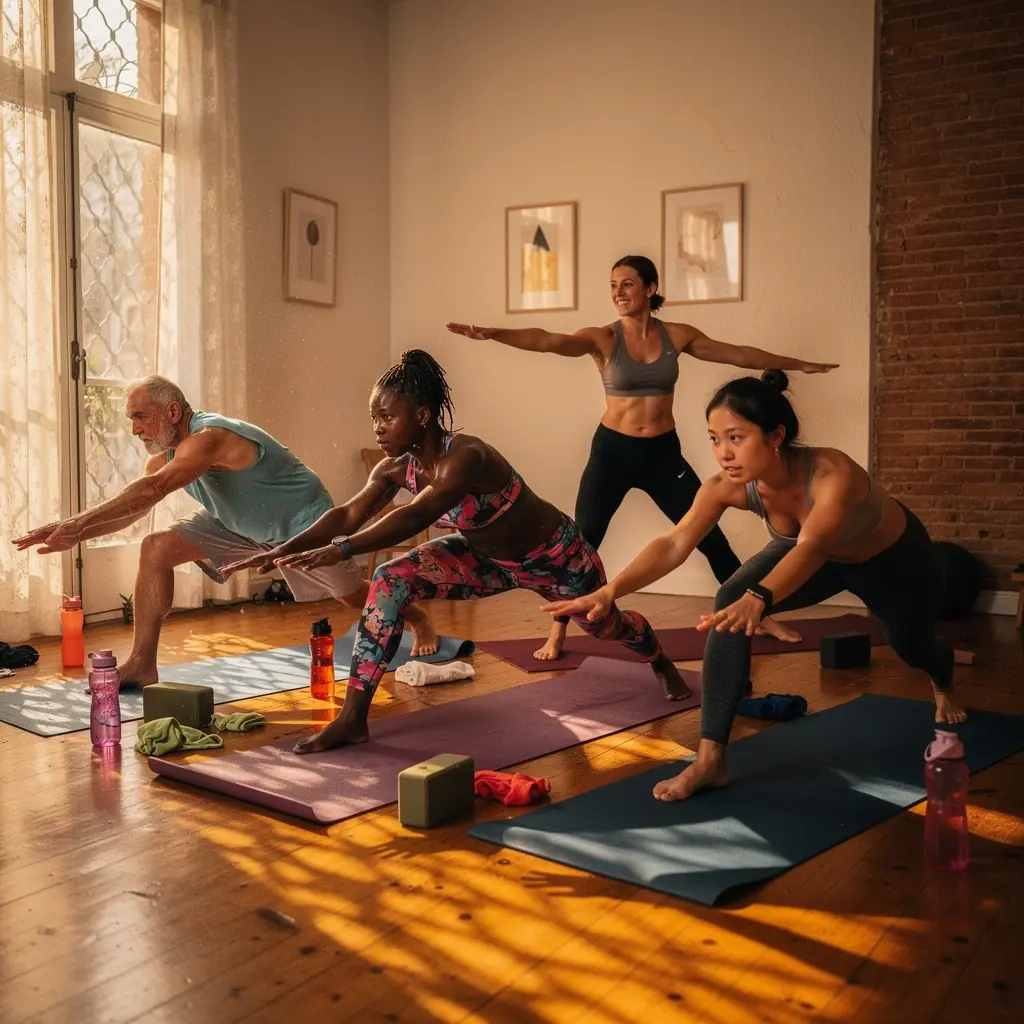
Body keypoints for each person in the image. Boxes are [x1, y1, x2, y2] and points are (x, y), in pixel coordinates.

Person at [222, 350, 691, 754]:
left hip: (555, 557)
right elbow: (347, 514)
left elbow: (414, 517)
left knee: (607, 626)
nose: (378, 428)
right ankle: (353, 718)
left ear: (422, 416)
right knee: (389, 580)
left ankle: (658, 659)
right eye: (374, 419)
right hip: (486, 560)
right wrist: (283, 548)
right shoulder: (393, 469)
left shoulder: (466, 456)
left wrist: (340, 549)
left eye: (387, 417)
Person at [542, 369, 968, 802]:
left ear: (776, 435)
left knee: (911, 646)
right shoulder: (727, 486)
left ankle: (942, 675)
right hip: (817, 558)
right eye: (713, 439)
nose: (723, 453)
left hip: (895, 563)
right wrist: (612, 590)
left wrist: (760, 597)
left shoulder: (831, 473)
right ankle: (710, 761)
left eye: (736, 437)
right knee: (729, 598)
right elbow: (675, 542)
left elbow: (815, 545)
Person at [446, 254, 838, 661]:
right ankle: (557, 630)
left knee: (709, 536)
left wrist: (797, 365)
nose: (618, 292)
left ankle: (761, 613)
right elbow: (548, 340)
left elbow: (736, 354)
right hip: (613, 453)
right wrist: (493, 333)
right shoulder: (604, 339)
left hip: (662, 454)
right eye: (613, 284)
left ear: (650, 289)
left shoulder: (677, 336)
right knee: (582, 542)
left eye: (628, 284)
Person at [12, 375, 438, 685]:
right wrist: (75, 534)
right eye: (131, 419)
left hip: (301, 522)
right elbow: (135, 508)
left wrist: (73, 523)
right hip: (235, 525)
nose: (134, 428)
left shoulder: (210, 437)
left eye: (141, 416)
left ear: (173, 411)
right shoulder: (164, 459)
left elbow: (154, 489)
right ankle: (142, 662)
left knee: (348, 595)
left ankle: (415, 615)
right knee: (155, 547)